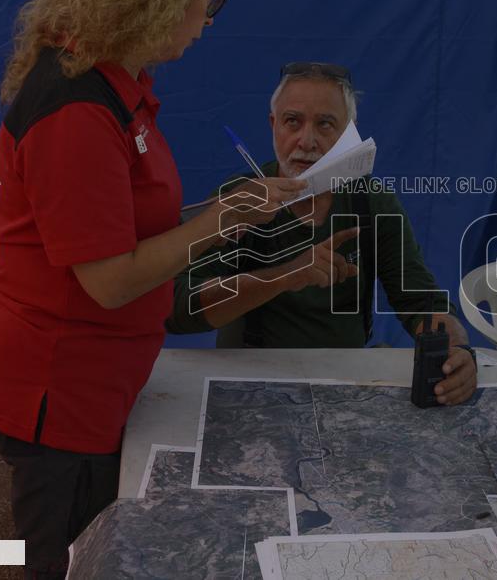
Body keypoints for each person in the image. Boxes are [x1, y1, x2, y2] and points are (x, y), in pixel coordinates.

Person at [0, 0, 305, 577]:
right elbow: (110, 279)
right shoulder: (78, 110)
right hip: (58, 391)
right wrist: (220, 219)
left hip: (90, 378)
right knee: (64, 558)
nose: (211, 17)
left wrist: (224, 213)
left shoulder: (112, 86)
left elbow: (115, 222)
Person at [166, 62, 478, 405]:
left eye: (325, 124)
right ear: (274, 126)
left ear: (350, 135)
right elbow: (179, 309)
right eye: (292, 122)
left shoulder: (372, 202)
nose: (307, 140)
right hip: (250, 384)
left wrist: (457, 352)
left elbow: (422, 302)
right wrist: (285, 277)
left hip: (345, 384)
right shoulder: (239, 200)